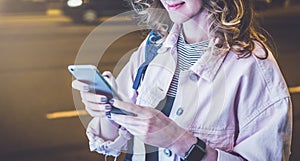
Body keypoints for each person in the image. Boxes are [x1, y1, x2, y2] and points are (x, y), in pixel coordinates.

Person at [72, 0, 293, 160]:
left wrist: (179, 141)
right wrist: (105, 111)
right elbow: (113, 137)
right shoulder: (152, 48)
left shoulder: (253, 65)